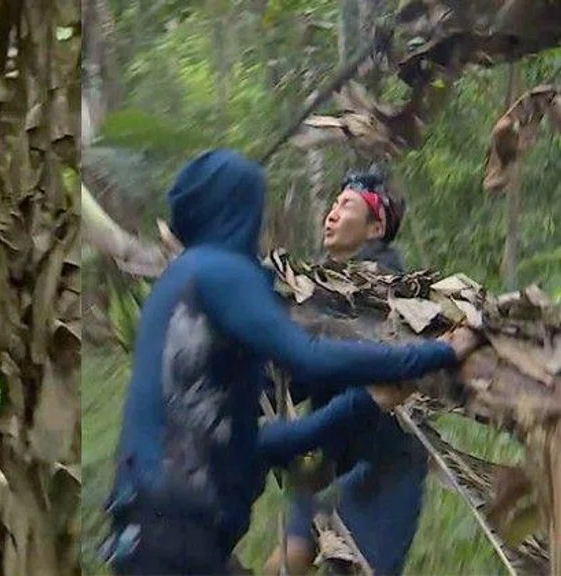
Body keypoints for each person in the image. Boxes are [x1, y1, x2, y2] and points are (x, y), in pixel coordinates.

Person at [97, 150, 480, 575]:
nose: (332, 214)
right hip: (180, 534)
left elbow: (253, 443)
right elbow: (308, 360)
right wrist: (438, 354)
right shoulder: (224, 274)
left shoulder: (188, 280)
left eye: (346, 206)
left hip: (149, 534)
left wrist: (369, 399)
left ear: (377, 228)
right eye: (333, 204)